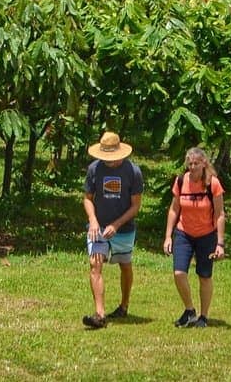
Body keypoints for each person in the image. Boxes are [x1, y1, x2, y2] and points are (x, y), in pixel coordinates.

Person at [82, 131, 144, 329]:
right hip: (98, 227)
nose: (108, 162)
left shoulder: (133, 172)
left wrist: (116, 225)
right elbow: (87, 198)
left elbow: (135, 206)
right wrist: (93, 220)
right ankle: (99, 314)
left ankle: (124, 305)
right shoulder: (94, 169)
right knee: (95, 264)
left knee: (125, 265)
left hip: (124, 229)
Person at [163, 146, 226, 328]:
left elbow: (220, 214)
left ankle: (204, 316)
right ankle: (189, 310)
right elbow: (174, 209)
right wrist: (168, 236)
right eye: (189, 164)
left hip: (206, 235)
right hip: (184, 233)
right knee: (179, 272)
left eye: (196, 164)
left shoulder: (212, 184)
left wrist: (220, 243)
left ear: (203, 164)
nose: (192, 167)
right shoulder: (181, 181)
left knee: (204, 275)